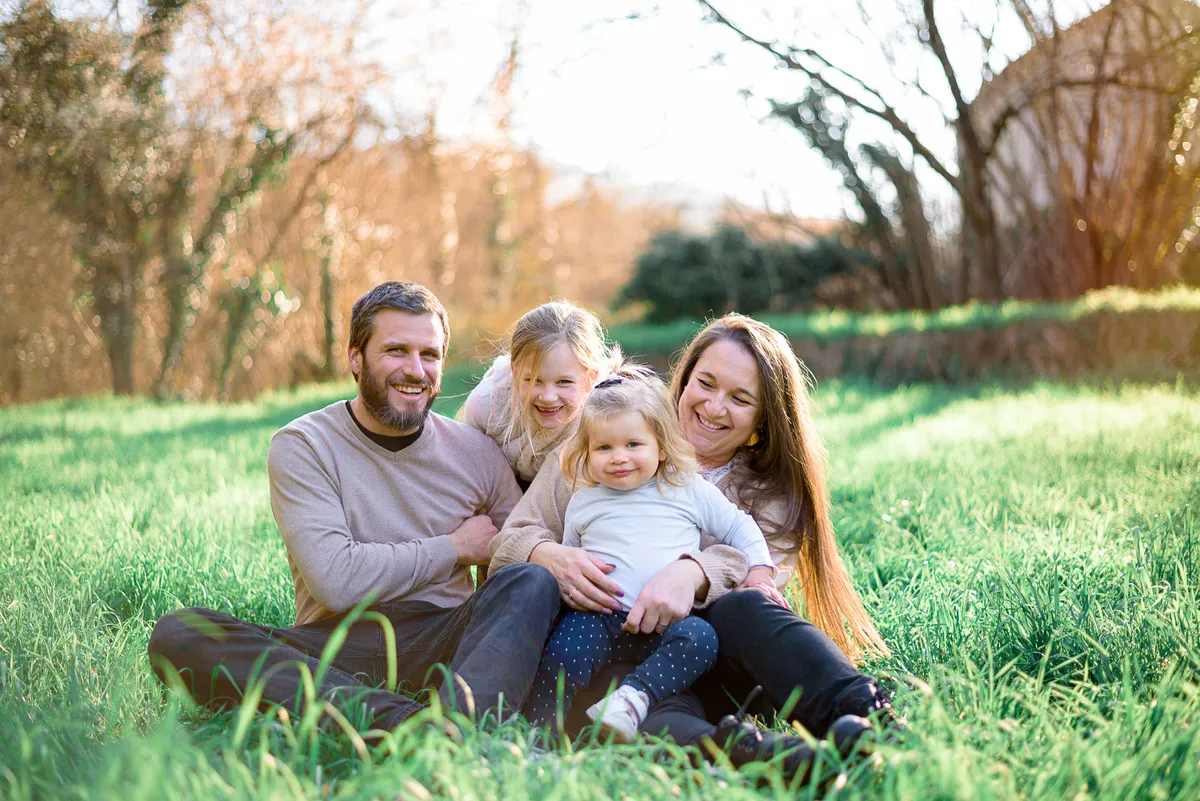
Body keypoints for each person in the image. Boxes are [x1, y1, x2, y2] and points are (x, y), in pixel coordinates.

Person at [490, 314, 899, 777]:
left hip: (712, 655)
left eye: (740, 399)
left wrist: (696, 572)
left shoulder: (770, 496)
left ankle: (870, 717)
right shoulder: (607, 440)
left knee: (744, 607)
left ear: (763, 419)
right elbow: (510, 540)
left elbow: (754, 578)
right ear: (683, 381)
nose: (715, 406)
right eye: (705, 383)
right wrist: (549, 555)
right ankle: (785, 762)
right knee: (623, 699)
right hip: (611, 650)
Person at [147, 281, 561, 733]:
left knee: (533, 581)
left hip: (445, 638)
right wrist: (454, 547)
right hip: (335, 647)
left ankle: (441, 722)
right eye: (396, 351)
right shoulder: (305, 445)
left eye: (429, 355)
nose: (415, 370)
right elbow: (336, 581)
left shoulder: (477, 452)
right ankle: (425, 729)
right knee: (181, 633)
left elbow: (521, 552)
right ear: (355, 358)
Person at [523, 372, 776, 742]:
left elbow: (739, 526)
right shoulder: (584, 502)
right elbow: (571, 559)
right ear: (587, 454)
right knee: (561, 656)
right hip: (599, 618)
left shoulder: (686, 488)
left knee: (701, 639)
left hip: (667, 623)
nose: (619, 458)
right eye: (603, 448)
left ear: (660, 446)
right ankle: (538, 733)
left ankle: (632, 699)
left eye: (633, 444)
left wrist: (760, 570)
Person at [459, 300, 621, 488]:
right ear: (515, 371)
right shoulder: (488, 406)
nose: (548, 397)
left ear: (590, 378)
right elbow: (466, 476)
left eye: (564, 382)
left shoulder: (607, 413)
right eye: (534, 380)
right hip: (496, 491)